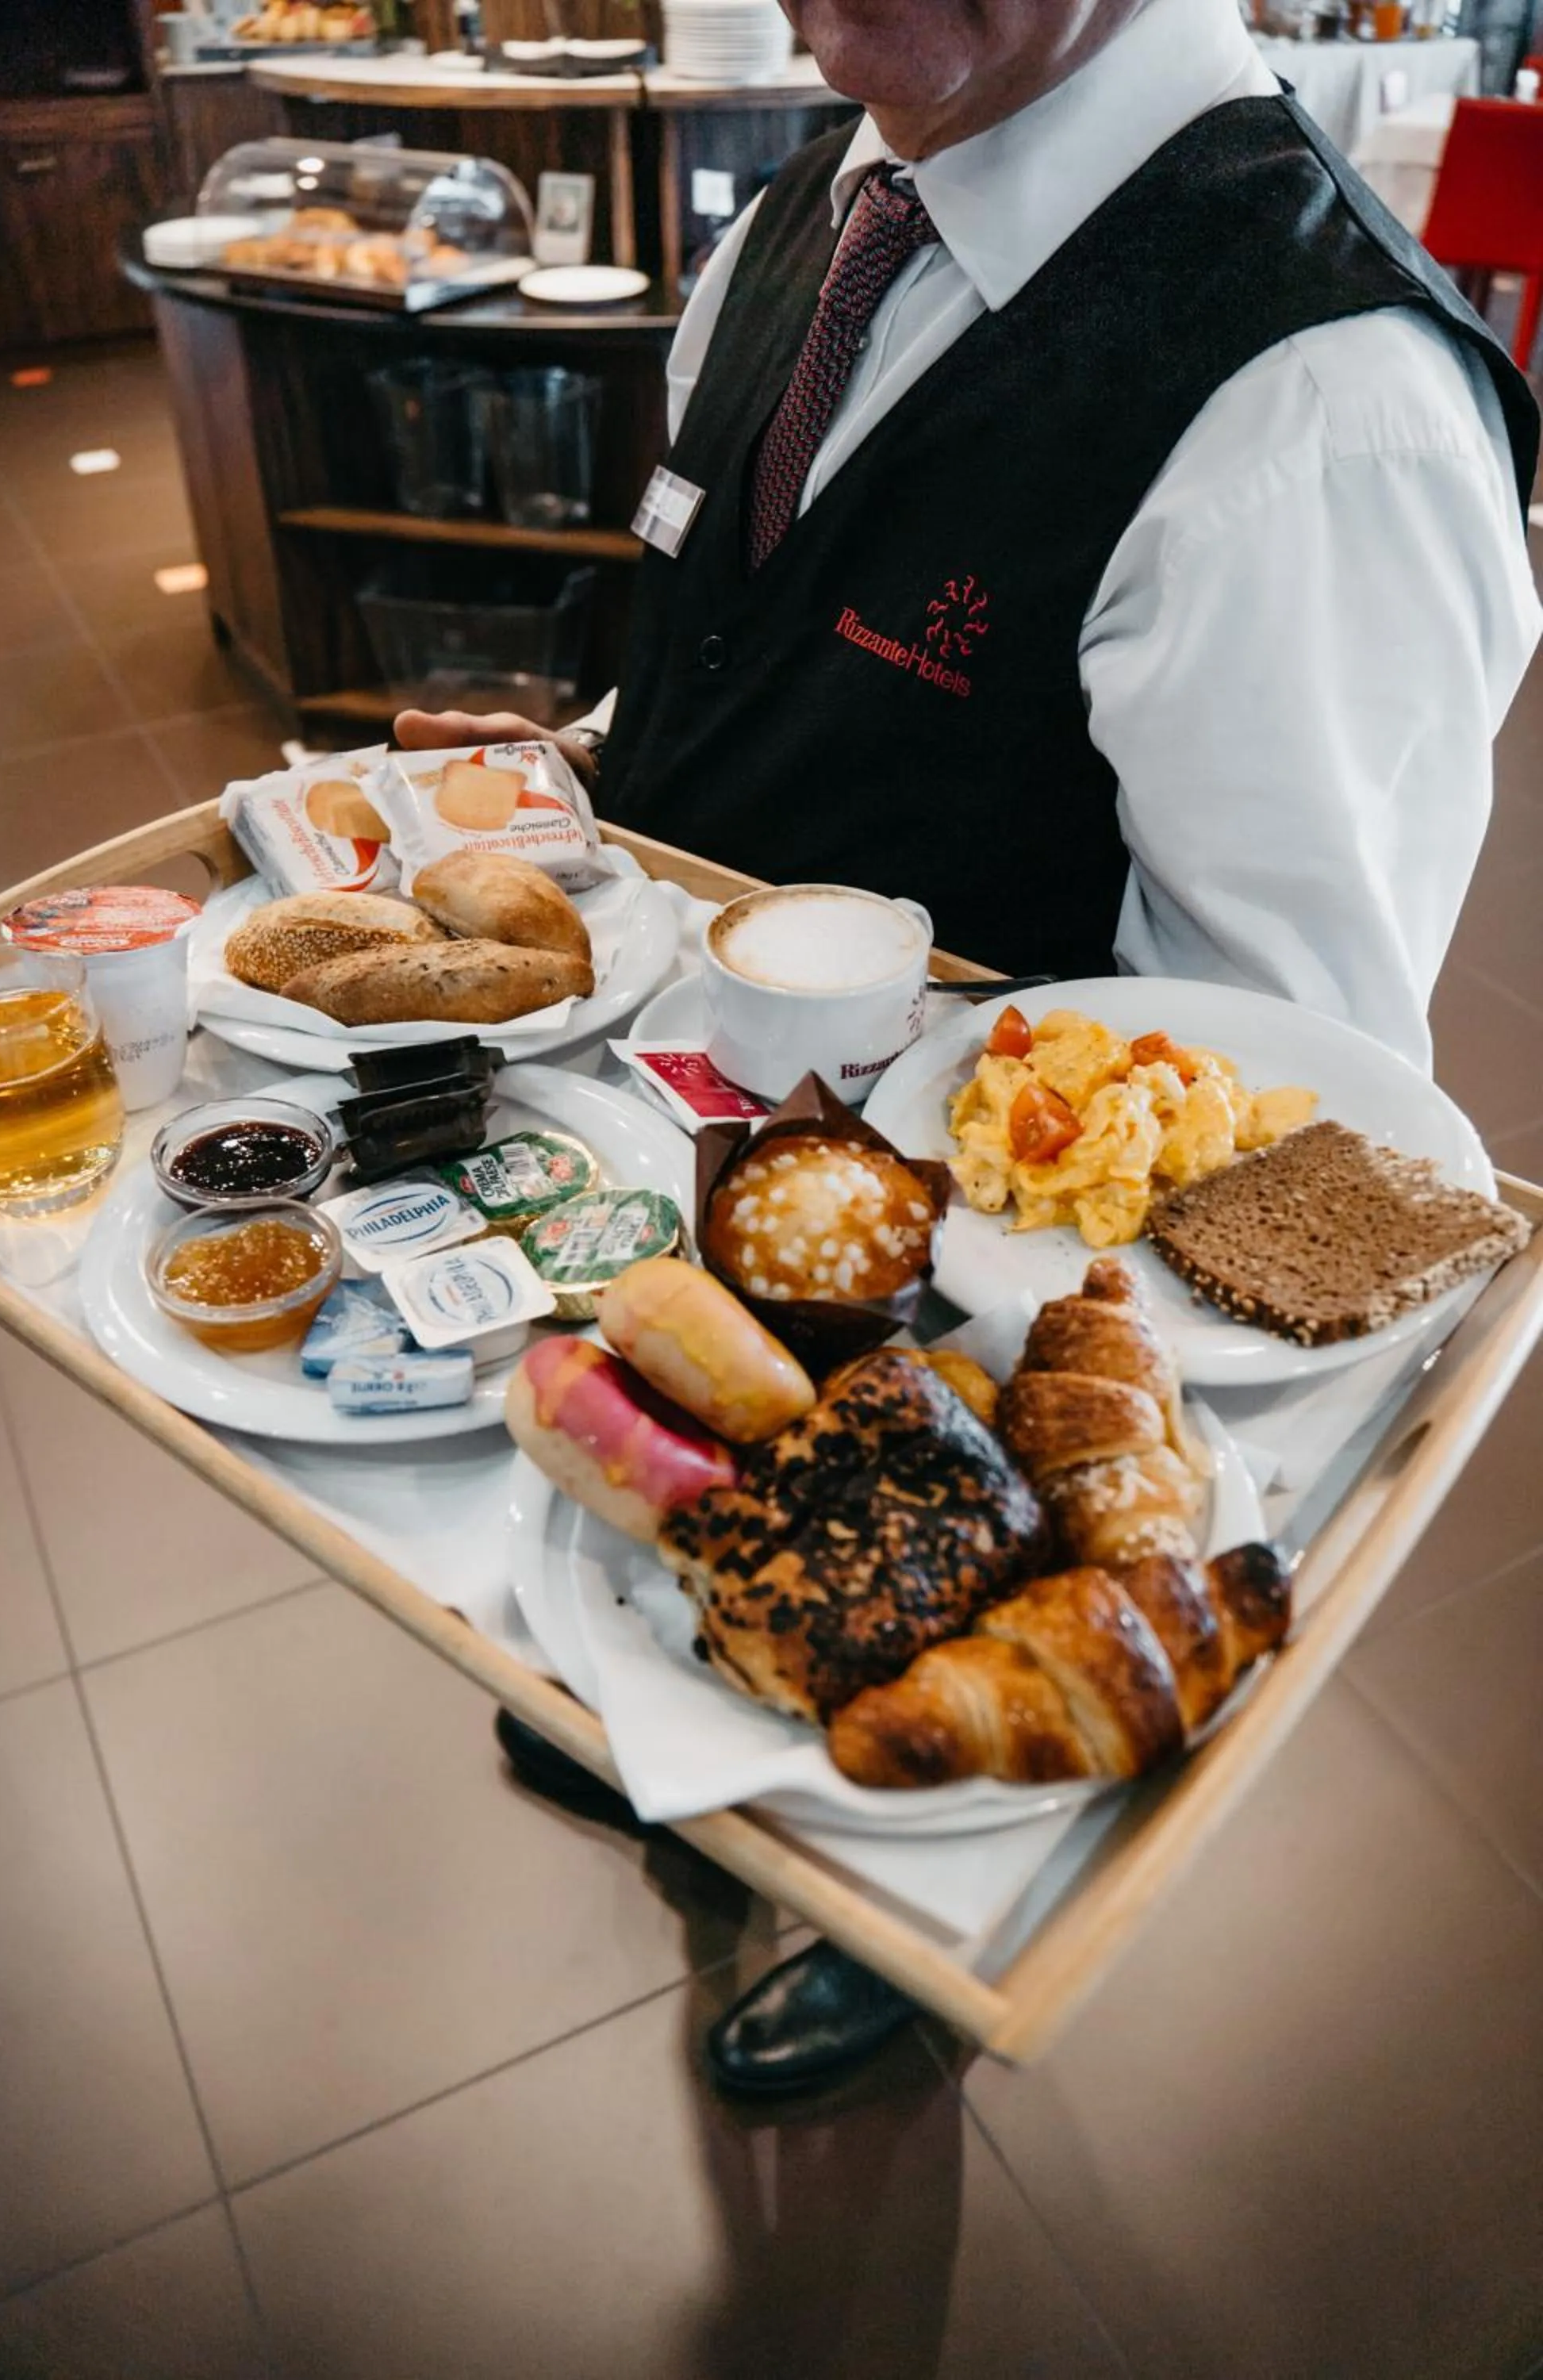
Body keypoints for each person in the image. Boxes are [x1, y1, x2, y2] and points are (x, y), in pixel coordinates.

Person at [398, 0, 1541, 2094]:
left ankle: (884, 1902)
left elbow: (1278, 1179)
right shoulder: (818, 211)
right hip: (715, 1227)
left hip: (985, 1429)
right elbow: (766, 658)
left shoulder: (1318, 404)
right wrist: (574, 782)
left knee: (894, 1796)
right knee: (653, 1665)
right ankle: (686, 1732)